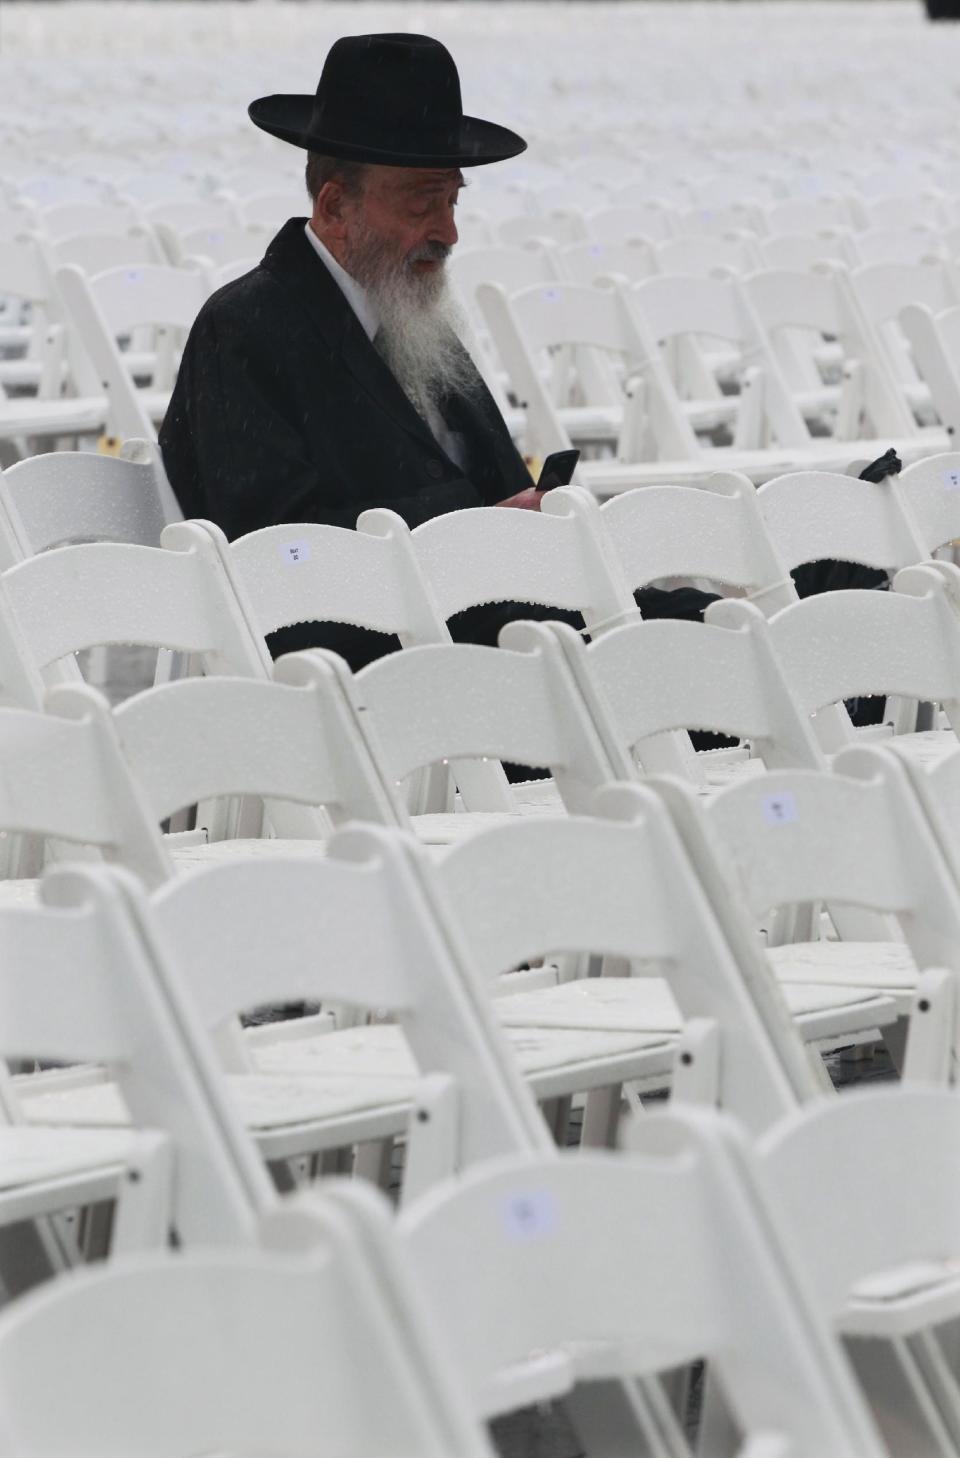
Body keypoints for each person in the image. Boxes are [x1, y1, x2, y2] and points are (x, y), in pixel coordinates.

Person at [159, 32, 560, 667]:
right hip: (386, 668)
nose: (449, 231)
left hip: (503, 624)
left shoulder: (416, 316)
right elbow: (278, 554)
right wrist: (467, 523)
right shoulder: (242, 329)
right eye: (424, 204)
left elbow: (503, 494)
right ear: (336, 206)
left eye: (453, 201)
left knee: (716, 623)